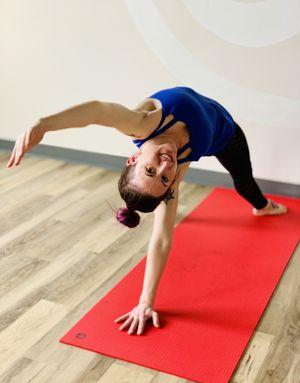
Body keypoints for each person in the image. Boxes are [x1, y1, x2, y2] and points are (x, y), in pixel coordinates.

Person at [6, 86, 288, 335]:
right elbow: (162, 238)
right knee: (243, 182)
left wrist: (44, 124)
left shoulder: (142, 123)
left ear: (135, 157)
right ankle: (264, 207)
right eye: (163, 178)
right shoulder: (176, 172)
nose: (165, 165)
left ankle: (260, 206)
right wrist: (145, 302)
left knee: (243, 181)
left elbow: (98, 111)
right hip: (226, 135)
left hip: (209, 121)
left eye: (150, 170)